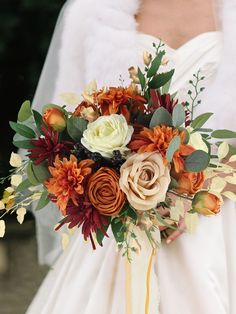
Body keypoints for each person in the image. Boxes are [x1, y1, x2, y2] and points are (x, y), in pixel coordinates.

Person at [26, 0, 236, 313]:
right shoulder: (91, 12)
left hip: (221, 217)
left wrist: (197, 186)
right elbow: (62, 129)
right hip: (120, 221)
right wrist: (105, 185)